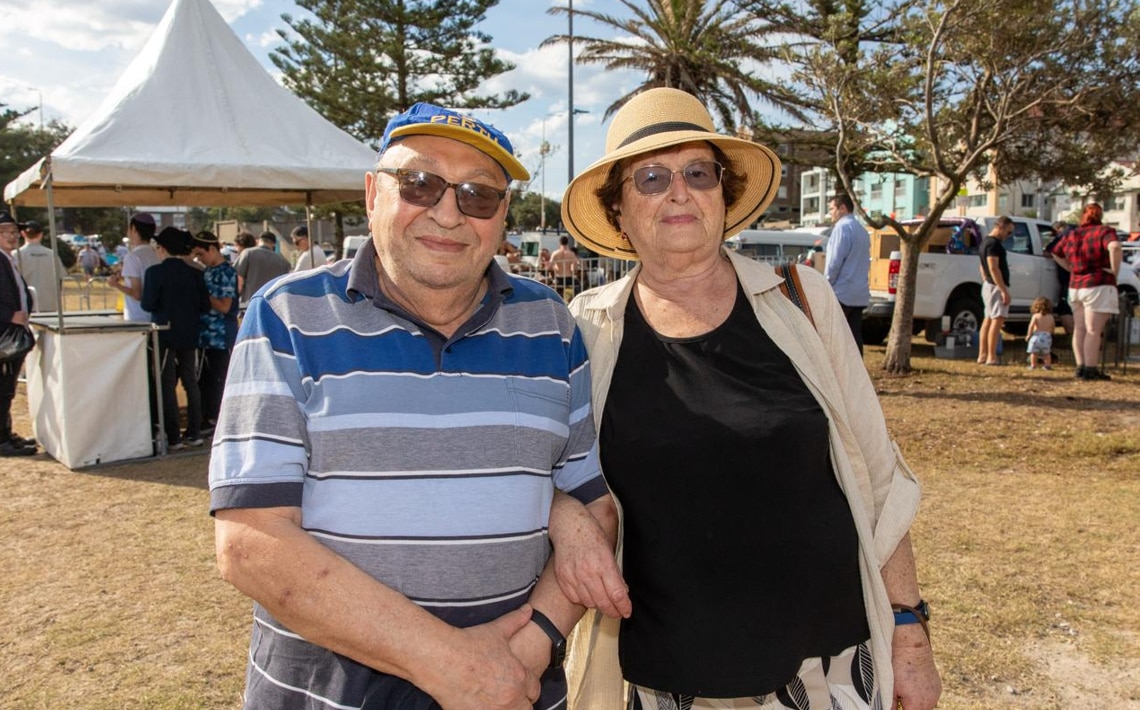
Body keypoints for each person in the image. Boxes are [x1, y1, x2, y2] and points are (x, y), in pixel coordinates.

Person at [208, 102, 623, 709]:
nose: (449, 213)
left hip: (516, 687)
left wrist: (530, 647)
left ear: (502, 216)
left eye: (479, 195)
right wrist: (448, 663)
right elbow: (250, 542)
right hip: (329, 694)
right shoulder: (288, 315)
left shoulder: (550, 326)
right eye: (421, 184)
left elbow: (594, 510)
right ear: (373, 194)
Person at [558, 88, 940, 710]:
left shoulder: (804, 301)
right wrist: (566, 519)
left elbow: (877, 477)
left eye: (698, 173)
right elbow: (551, 472)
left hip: (827, 669)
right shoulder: (587, 327)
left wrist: (909, 634)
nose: (678, 191)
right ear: (620, 213)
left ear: (724, 197)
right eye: (650, 177)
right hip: (665, 680)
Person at [141, 227, 209, 451]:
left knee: (166, 384)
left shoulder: (154, 273)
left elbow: (147, 304)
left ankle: (173, 436)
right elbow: (204, 306)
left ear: (162, 249)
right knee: (192, 383)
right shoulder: (196, 273)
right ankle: (195, 432)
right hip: (190, 334)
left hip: (163, 333)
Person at [1051, 202, 1122, 381]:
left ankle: (1080, 366)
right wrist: (1115, 271)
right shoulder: (1105, 231)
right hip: (1098, 283)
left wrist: (1070, 268)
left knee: (1080, 328)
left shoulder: (1072, 234)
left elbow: (1055, 252)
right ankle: (1090, 368)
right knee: (1093, 329)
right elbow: (1114, 247)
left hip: (1075, 286)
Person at [190, 231, 238, 432]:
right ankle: (209, 416)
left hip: (220, 337)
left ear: (212, 249)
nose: (199, 259)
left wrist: (203, 295)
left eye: (201, 254)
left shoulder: (226, 272)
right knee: (206, 381)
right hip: (206, 336)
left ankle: (217, 418)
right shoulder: (207, 271)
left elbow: (225, 306)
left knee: (220, 380)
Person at [0, 212, 38, 457]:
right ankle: (2, 439)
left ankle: (6, 433)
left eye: (15, 232)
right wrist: (8, 315)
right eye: (7, 232)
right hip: (5, 331)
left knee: (8, 387)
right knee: (3, 387)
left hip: (14, 329)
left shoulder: (8, 260)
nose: (13, 236)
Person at [825, 193, 871, 354]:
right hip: (858, 294)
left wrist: (826, 284)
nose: (830, 212)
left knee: (834, 338)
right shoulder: (862, 231)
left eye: (832, 209)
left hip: (841, 292)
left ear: (842, 208)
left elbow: (834, 262)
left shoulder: (842, 228)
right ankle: (857, 374)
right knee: (854, 338)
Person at [108, 213, 161, 322]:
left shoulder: (133, 257)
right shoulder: (156, 253)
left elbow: (137, 294)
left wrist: (116, 285)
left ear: (133, 229)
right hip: (155, 315)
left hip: (137, 316)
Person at [977, 216, 1013, 366]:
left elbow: (982, 265)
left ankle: (982, 355)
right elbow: (993, 266)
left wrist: (985, 279)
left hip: (989, 284)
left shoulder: (985, 241)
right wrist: (1003, 289)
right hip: (996, 286)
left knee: (988, 319)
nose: (1008, 235)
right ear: (1001, 227)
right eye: (1008, 232)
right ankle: (992, 356)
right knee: (996, 320)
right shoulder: (994, 244)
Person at [14, 220, 66, 314]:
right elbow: (60, 280)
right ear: (41, 234)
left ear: (23, 234)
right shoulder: (52, 254)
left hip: (25, 306)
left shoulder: (15, 255)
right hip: (50, 304)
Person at [234, 231, 290, 305]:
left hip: (249, 303)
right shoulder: (282, 261)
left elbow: (238, 279)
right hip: (273, 305)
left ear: (259, 240)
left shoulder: (248, 253)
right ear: (273, 244)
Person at [1044, 222, 1076, 336]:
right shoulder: (1080, 234)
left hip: (1069, 279)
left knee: (1065, 308)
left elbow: (1049, 252)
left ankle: (1072, 335)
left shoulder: (1062, 237)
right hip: (1086, 278)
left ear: (1057, 229)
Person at [1025, 297, 1056, 370]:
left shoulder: (1035, 316)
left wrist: (1029, 334)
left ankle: (1033, 365)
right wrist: (1052, 333)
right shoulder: (1051, 317)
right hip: (1047, 337)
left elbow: (1031, 326)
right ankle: (1047, 366)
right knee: (1047, 353)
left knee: (1034, 352)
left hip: (1037, 336)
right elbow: (1053, 326)